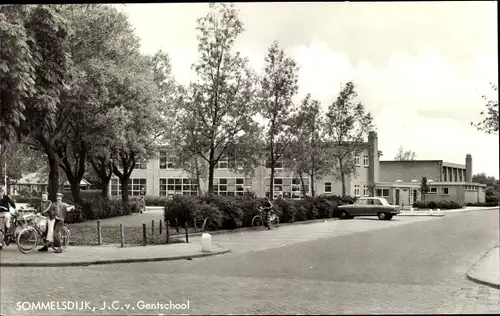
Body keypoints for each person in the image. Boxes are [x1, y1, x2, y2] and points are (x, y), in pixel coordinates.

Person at [0, 185, 16, 250]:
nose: (1, 193)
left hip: (6, 213)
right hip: (0, 213)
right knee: (0, 229)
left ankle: (7, 231)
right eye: (0, 192)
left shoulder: (6, 197)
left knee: (7, 216)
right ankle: (0, 244)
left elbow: (13, 205)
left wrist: (11, 200)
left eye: (2, 192)